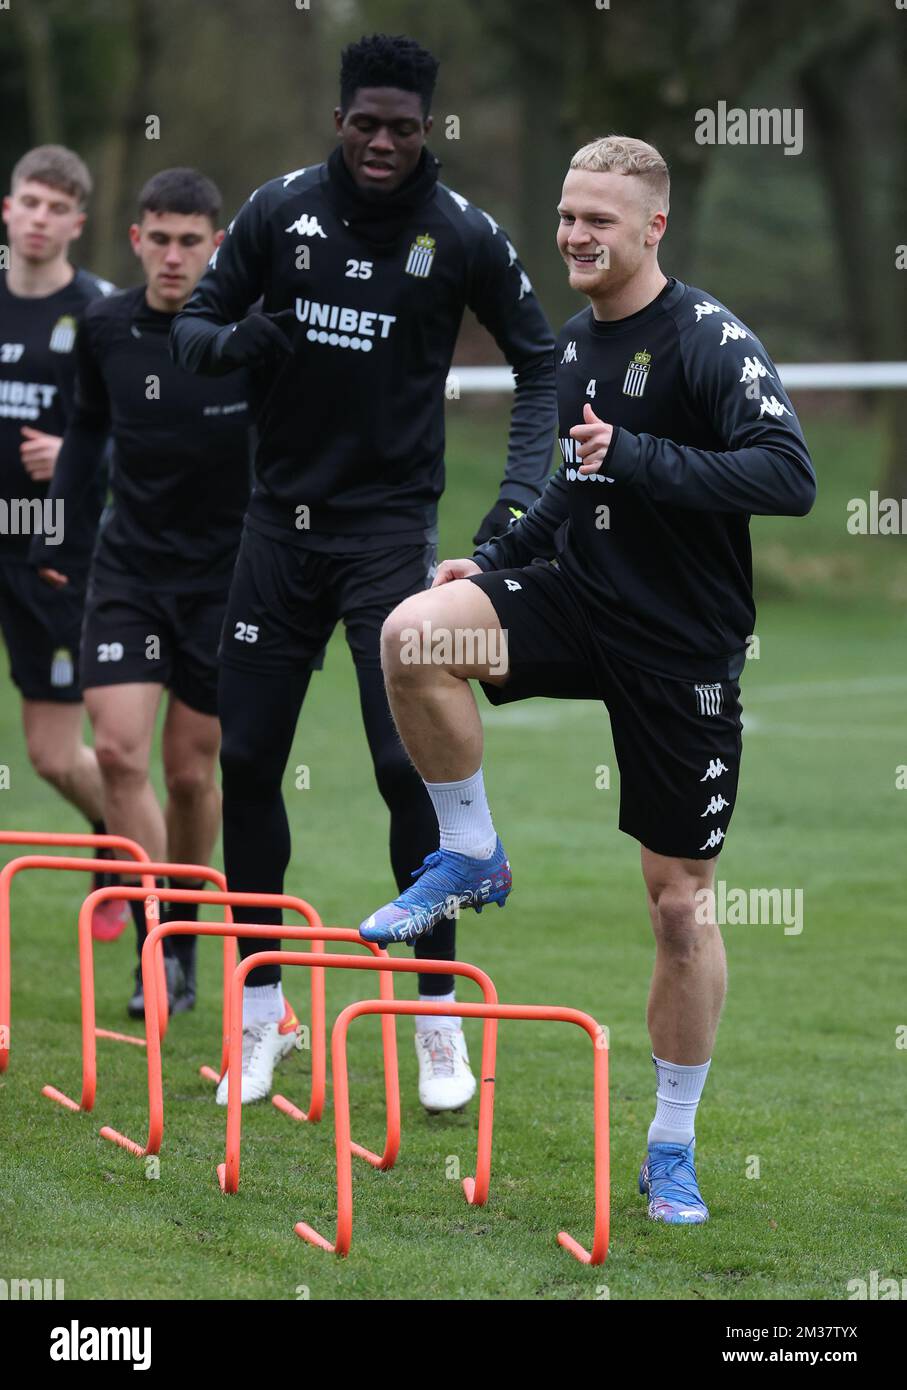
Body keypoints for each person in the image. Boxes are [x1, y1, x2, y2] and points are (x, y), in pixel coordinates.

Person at [359, 135, 816, 1224]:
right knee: (413, 634)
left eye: (598, 219)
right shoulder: (572, 345)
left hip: (681, 651)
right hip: (577, 601)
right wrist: (500, 554)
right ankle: (470, 849)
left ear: (653, 227)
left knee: (676, 909)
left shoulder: (708, 339)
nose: (574, 234)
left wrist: (640, 458)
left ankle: (669, 1142)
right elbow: (568, 480)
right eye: (566, 215)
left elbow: (789, 474)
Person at [171, 33, 557, 1108]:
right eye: (364, 123)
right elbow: (192, 331)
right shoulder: (278, 210)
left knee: (407, 774)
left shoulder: (462, 233)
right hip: (273, 533)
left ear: (425, 128)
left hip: (388, 534)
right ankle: (262, 1016)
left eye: (402, 127)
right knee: (246, 760)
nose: (382, 143)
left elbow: (543, 363)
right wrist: (238, 342)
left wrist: (518, 500)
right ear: (340, 120)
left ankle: (434, 1018)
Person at [32, 169, 253, 1015]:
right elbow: (86, 431)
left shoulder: (247, 330)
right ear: (134, 240)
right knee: (120, 752)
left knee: (191, 775)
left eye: (188, 241)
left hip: (227, 577)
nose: (172, 256)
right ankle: (157, 940)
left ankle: (186, 936)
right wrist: (59, 525)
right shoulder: (104, 326)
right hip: (129, 570)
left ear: (216, 245)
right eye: (157, 238)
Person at [0, 144, 124, 938]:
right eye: (28, 202)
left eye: (56, 208)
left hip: (47, 540)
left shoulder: (103, 312)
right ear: (7, 209)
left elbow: (149, 428)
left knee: (50, 753)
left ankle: (121, 838)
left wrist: (82, 456)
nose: (39, 219)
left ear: (76, 222)